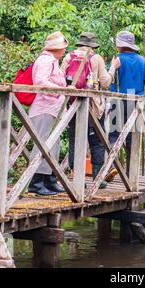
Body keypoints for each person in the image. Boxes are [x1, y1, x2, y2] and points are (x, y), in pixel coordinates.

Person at [61, 32, 120, 189]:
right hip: (93, 107)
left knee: (74, 139)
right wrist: (113, 68)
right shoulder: (96, 58)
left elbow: (62, 79)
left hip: (73, 106)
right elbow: (106, 83)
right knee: (97, 142)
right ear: (93, 45)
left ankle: (77, 179)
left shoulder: (69, 56)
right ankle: (97, 178)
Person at [28, 31, 69, 196]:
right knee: (42, 145)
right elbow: (40, 81)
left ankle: (50, 180)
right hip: (44, 108)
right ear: (57, 48)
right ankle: (36, 183)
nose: (65, 50)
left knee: (53, 145)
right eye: (63, 47)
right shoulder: (45, 60)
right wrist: (61, 90)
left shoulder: (53, 61)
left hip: (53, 109)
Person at [109, 30, 145, 174]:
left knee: (114, 134)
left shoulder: (117, 60)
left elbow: (111, 80)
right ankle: (130, 171)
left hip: (119, 98)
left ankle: (111, 165)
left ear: (120, 45)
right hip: (136, 101)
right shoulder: (142, 61)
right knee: (132, 137)